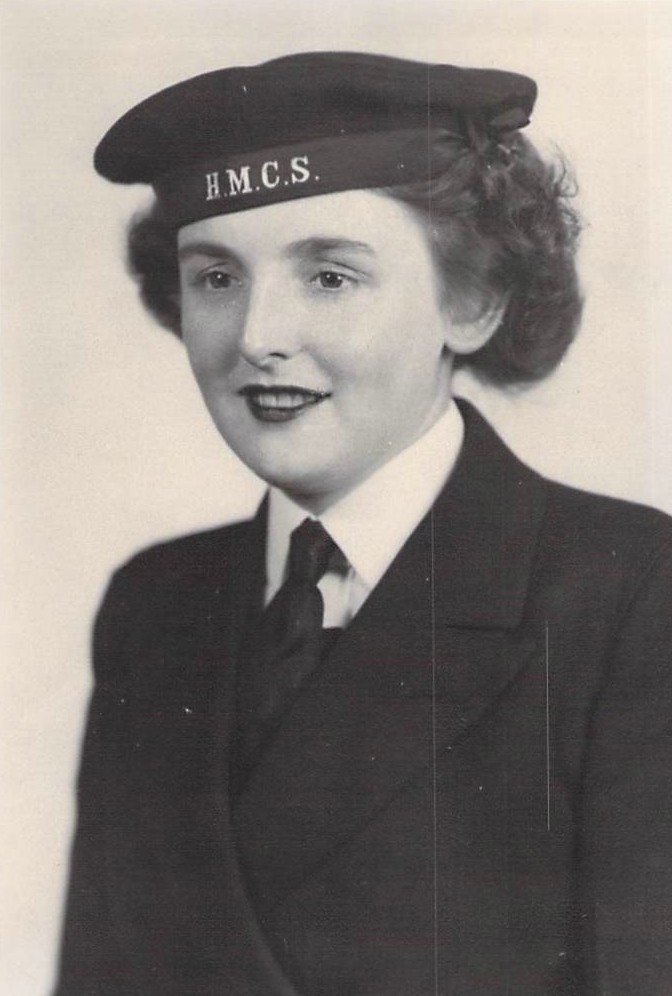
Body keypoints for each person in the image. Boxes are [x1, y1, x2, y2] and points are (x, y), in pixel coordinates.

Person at [54, 52, 672, 996]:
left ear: (474, 300)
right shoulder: (155, 605)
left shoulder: (628, 597)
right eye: (216, 277)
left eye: (331, 277)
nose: (257, 334)